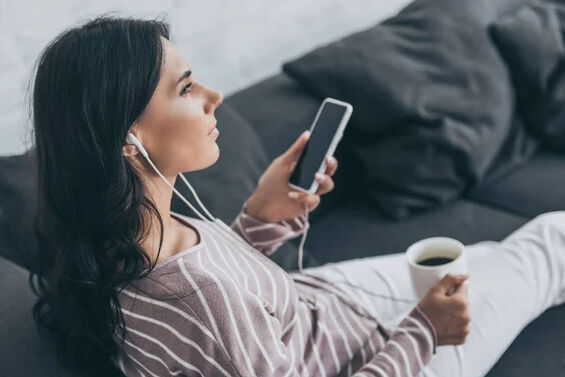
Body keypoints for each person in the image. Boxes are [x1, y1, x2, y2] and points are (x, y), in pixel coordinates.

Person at [29, 16, 565, 377]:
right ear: (132, 138)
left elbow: (228, 313)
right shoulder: (203, 300)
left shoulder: (118, 242)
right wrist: (425, 331)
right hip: (377, 352)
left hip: (321, 301)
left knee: (494, 259)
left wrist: (262, 218)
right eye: (187, 88)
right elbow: (219, 316)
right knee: (548, 242)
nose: (214, 97)